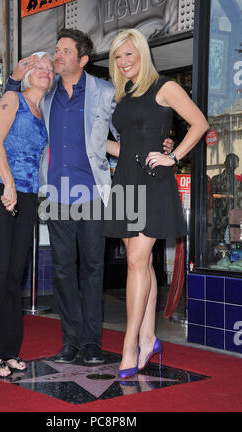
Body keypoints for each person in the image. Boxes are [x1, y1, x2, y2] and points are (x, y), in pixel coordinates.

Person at [6, 29, 174, 365]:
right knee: (64, 269)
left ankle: (92, 342)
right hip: (55, 192)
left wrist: (162, 144)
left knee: (94, 268)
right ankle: (71, 340)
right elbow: (13, 104)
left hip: (96, 193)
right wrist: (15, 78)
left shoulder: (106, 92)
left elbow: (130, 129)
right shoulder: (46, 92)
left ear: (82, 59)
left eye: (65, 51)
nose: (58, 56)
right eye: (57, 50)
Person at [103, 29, 209, 378]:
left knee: (135, 260)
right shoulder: (124, 93)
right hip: (126, 182)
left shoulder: (165, 87)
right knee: (142, 265)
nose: (124, 62)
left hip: (152, 182)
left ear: (143, 53)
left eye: (129, 54)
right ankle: (148, 339)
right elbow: (128, 145)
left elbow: (199, 123)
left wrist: (173, 156)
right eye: (118, 57)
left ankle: (129, 345)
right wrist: (97, 144)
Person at [0, 51, 54, 377]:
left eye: (50, 69)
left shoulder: (44, 110)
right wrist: (8, 184)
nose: (46, 71)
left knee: (14, 273)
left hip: (27, 195)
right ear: (27, 72)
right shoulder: (13, 98)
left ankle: (9, 349)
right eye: (40, 67)